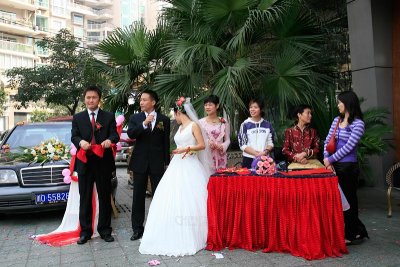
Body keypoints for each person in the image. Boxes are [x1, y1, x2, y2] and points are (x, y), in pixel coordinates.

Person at [138, 97, 213, 256]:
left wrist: (186, 148)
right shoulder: (179, 128)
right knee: (171, 197)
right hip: (177, 165)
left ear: (179, 112)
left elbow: (202, 145)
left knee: (191, 198)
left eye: (175, 115)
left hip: (190, 165)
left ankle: (194, 231)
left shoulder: (194, 125)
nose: (174, 118)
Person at [71, 85, 120, 244]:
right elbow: (74, 136)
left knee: (105, 196)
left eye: (94, 97)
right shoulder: (78, 117)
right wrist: (80, 142)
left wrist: (109, 140)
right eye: (88, 97)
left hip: (103, 162)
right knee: (84, 197)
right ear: (84, 99)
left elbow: (114, 134)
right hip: (85, 162)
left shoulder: (108, 116)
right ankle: (85, 232)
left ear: (99, 99)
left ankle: (105, 230)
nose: (91, 100)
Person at [323, 91, 369, 245]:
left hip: (348, 168)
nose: (337, 105)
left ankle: (352, 233)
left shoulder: (358, 124)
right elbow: (328, 140)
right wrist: (326, 157)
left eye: (339, 102)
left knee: (349, 200)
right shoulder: (337, 120)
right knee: (338, 201)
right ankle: (347, 230)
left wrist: (329, 159)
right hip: (334, 165)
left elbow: (349, 147)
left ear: (347, 103)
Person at [127, 89, 171, 241]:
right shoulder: (135, 117)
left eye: (145, 100)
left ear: (153, 102)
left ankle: (158, 226)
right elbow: (131, 134)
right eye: (141, 100)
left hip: (157, 162)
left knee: (158, 196)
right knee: (138, 196)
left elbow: (166, 143)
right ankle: (137, 229)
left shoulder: (164, 120)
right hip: (140, 162)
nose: (141, 102)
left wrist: (166, 163)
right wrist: (144, 124)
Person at [238, 98, 274, 168]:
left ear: (261, 109)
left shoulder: (267, 125)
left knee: (264, 179)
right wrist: (256, 154)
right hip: (248, 159)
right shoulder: (245, 124)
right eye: (251, 107)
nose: (252, 109)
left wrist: (264, 152)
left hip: (265, 159)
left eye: (255, 107)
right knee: (249, 179)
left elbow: (271, 143)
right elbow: (242, 144)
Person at [199, 95, 230, 170]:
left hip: (221, 156)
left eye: (210, 105)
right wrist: (207, 142)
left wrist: (223, 146)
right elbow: (198, 139)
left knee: (220, 179)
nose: (207, 107)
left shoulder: (224, 121)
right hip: (207, 156)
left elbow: (227, 139)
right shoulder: (200, 122)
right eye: (205, 105)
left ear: (217, 106)